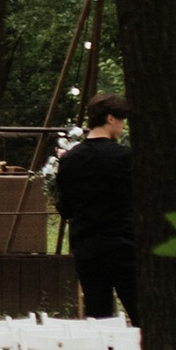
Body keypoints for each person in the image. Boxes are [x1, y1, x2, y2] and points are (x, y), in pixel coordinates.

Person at [54, 93, 136, 321]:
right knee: (141, 312)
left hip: (87, 248)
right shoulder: (125, 158)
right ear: (111, 119)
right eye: (122, 121)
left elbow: (66, 208)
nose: (122, 127)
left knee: (99, 317)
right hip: (124, 245)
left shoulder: (70, 160)